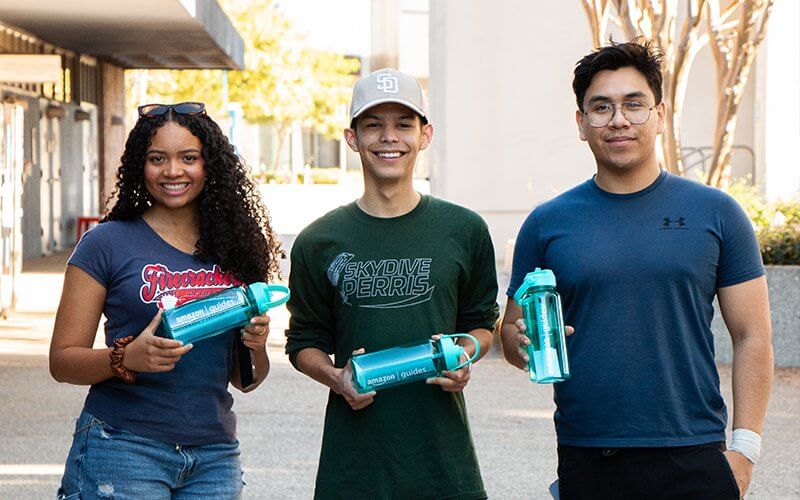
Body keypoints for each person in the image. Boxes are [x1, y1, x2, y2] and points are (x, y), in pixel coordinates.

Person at [499, 40, 773, 499]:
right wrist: (520, 342)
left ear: (660, 116)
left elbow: (754, 335)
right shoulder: (546, 224)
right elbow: (510, 332)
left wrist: (744, 451)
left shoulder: (718, 213)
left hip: (695, 451)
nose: (618, 119)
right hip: (589, 453)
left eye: (634, 104)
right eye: (601, 107)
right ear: (582, 124)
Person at [285, 69, 499, 499]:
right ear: (352, 138)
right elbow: (303, 342)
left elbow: (481, 325)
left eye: (403, 124)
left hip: (443, 468)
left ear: (425, 135)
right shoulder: (317, 241)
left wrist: (464, 355)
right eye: (373, 125)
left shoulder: (464, 229)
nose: (389, 138)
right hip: (354, 469)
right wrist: (335, 376)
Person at [50, 101, 282, 499]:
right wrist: (124, 358)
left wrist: (256, 347)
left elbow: (246, 380)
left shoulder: (238, 248)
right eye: (158, 158)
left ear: (210, 165)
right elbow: (62, 361)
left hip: (214, 456)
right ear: (141, 165)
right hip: (122, 446)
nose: (173, 171)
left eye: (188, 158)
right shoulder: (106, 244)